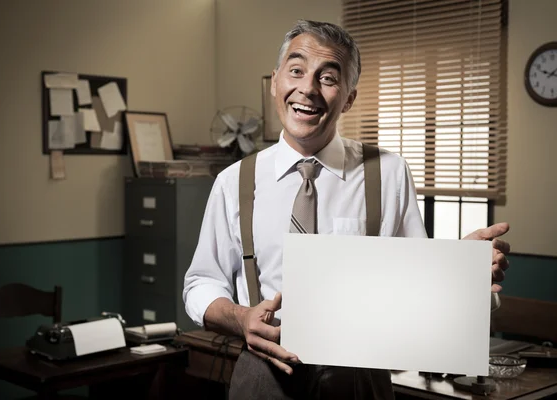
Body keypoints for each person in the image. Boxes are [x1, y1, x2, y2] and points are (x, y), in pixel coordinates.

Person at [183, 19, 510, 400]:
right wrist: (241, 319)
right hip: (262, 375)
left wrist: (460, 271)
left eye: (327, 77)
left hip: (359, 381)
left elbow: (410, 289)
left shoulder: (389, 172)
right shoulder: (233, 181)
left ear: (349, 98)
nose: (307, 88)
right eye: (296, 70)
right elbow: (200, 283)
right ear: (275, 82)